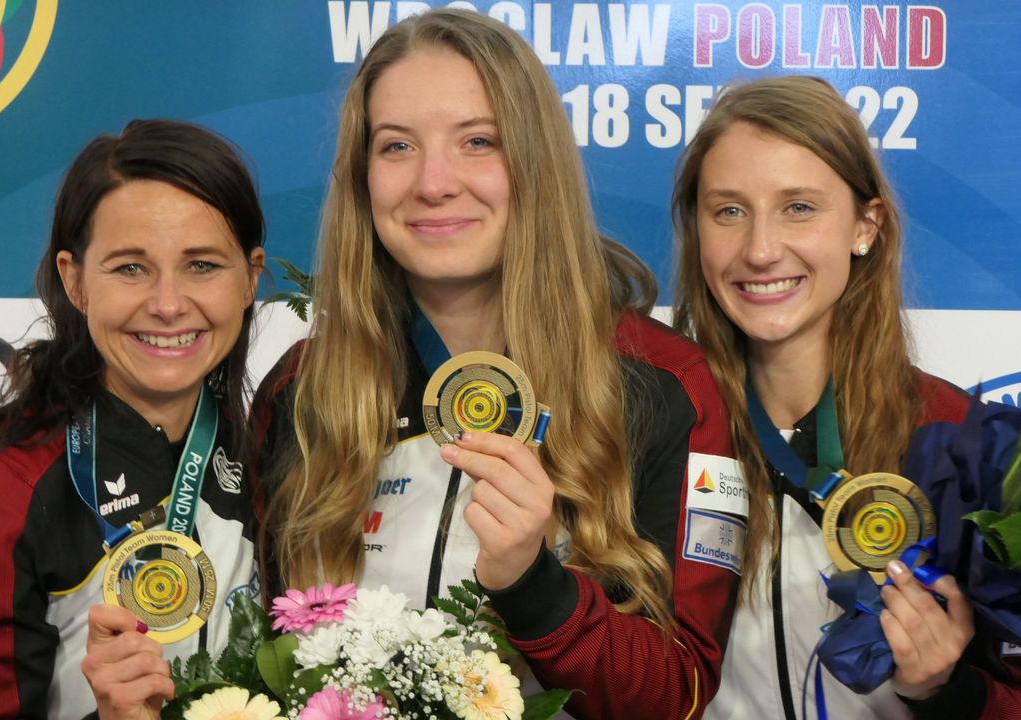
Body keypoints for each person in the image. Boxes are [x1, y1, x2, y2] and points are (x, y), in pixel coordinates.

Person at [86, 8, 742, 720]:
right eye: (397, 146)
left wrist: (532, 582)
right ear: (362, 175)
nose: (433, 182)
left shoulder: (668, 384)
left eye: (477, 141)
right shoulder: (305, 390)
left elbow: (677, 698)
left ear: (536, 161)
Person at [670, 76, 1021, 719]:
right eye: (729, 210)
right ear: (699, 230)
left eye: (799, 207)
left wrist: (945, 688)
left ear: (865, 226)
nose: (761, 250)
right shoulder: (660, 425)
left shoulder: (962, 439)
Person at [0, 119, 267, 719]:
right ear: (75, 280)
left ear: (251, 279)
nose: (168, 304)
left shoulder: (268, 451)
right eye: (130, 268)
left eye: (202, 265)